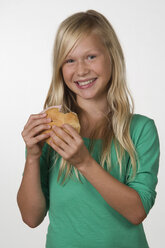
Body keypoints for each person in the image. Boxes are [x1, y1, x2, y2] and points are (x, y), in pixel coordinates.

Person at [17, 9, 160, 248]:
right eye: (70, 60)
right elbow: (31, 218)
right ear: (60, 69)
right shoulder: (52, 130)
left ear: (112, 56)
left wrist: (83, 162)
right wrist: (32, 157)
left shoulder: (140, 130)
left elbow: (137, 211)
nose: (81, 70)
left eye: (91, 56)